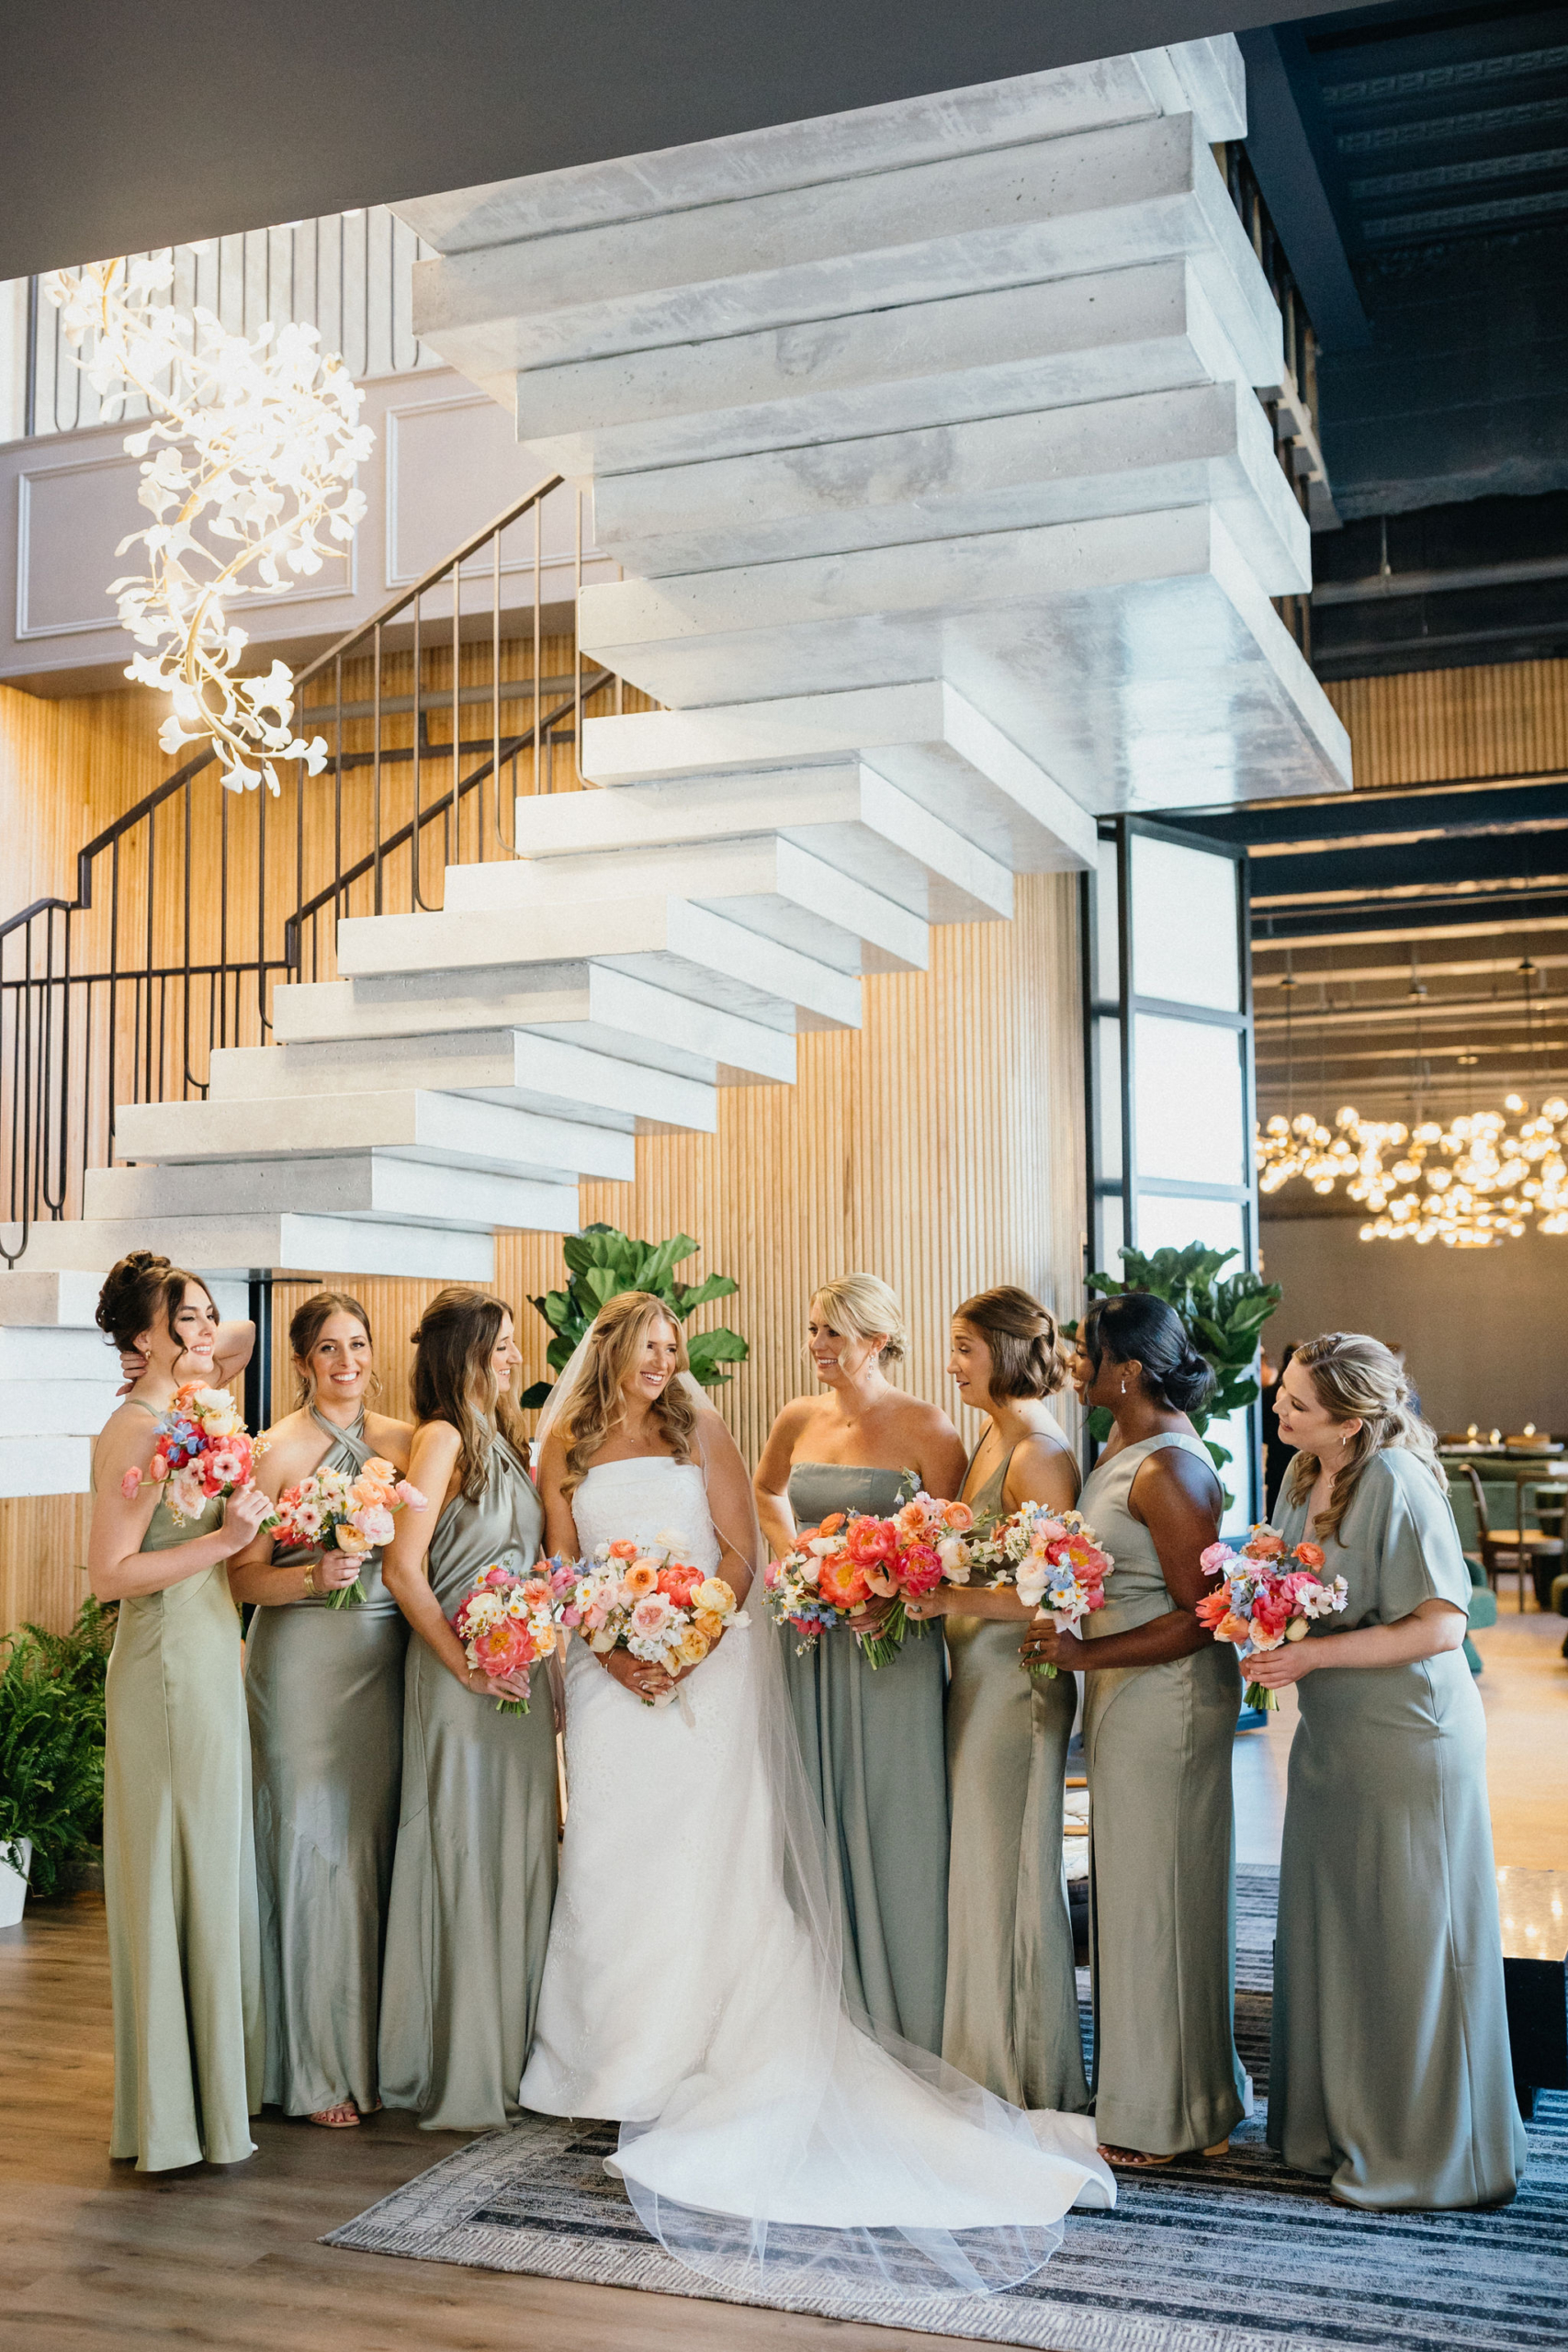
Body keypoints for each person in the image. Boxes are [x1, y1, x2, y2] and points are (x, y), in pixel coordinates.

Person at [521, 1292, 1113, 2306]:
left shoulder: (698, 1424)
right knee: (611, 1857)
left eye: (673, 1346)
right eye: (648, 1346)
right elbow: (565, 1567)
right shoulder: (565, 1449)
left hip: (706, 1664)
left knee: (709, 1854)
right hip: (608, 1673)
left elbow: (740, 1550)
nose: (664, 1361)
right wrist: (615, 1649)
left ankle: (701, 2045)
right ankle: (602, 2058)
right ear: (611, 1351)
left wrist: (693, 1635)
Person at [1254, 1332, 1526, 2210]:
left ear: (1353, 1417)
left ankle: (1433, 2150)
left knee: (1411, 1937)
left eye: (1296, 1403)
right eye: (1283, 1394)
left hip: (1410, 1735)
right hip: (1336, 1733)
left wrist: (1311, 1662)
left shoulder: (1401, 1485)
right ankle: (1332, 2125)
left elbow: (1442, 1628)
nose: (1278, 1411)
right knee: (1338, 1924)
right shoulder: (1301, 1474)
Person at [1024, 1292, 1246, 2168]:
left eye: (1086, 1352)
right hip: (1126, 1694)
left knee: (1163, 1899)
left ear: (1127, 1369)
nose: (1075, 1365)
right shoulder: (1116, 1446)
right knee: (1134, 1895)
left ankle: (1175, 2116)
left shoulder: (1170, 1471)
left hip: (1170, 1701)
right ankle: (1176, 2093)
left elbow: (1205, 1616)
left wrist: (1086, 1654)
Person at [752, 1273, 966, 2052]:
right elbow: (768, 1491)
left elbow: (955, 1540)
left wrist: (894, 1586)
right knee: (810, 1802)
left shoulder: (929, 1427)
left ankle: (907, 2009)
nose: (816, 1346)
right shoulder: (798, 1417)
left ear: (875, 1340)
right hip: (809, 1637)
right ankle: (817, 2005)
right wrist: (801, 1558)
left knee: (894, 1811)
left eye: (831, 1333)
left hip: (892, 1648)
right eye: (813, 1330)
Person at [87, 1250, 267, 2170]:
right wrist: (229, 1541)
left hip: (205, 1656)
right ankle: (169, 2119)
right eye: (183, 1318)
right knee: (168, 1870)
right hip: (161, 1662)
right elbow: (110, 1575)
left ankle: (210, 2102)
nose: (206, 1332)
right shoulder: (136, 1429)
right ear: (145, 1335)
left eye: (203, 1315)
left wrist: (182, 1343)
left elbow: (241, 1337)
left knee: (209, 1865)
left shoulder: (185, 1409)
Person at [230, 1292, 414, 2130]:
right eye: (329, 1349)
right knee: (311, 1847)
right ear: (301, 1361)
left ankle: (380, 2053)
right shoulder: (275, 1451)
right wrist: (312, 1578)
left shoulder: (405, 1443)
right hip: (301, 1664)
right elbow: (239, 1579)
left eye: (359, 1345)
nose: (348, 1362)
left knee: (373, 1849)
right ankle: (309, 2067)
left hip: (385, 1662)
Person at [903, 1286, 1088, 2113]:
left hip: (1019, 1681)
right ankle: (978, 2051)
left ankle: (1020, 2071)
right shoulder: (992, 1436)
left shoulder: (1038, 1452)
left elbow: (1060, 1593)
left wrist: (947, 1601)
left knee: (1008, 1869)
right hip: (976, 1675)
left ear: (1007, 1352)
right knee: (978, 1867)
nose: (951, 1366)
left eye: (964, 1349)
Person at [377, 1286, 558, 2131]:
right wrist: (464, 1665)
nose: (514, 1358)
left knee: (517, 1855)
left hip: (514, 1675)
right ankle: (456, 2062)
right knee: (461, 1855)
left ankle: (517, 2055)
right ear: (463, 1358)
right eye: (500, 1347)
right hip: (458, 1683)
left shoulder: (504, 1442)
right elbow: (403, 1568)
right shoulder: (442, 1439)